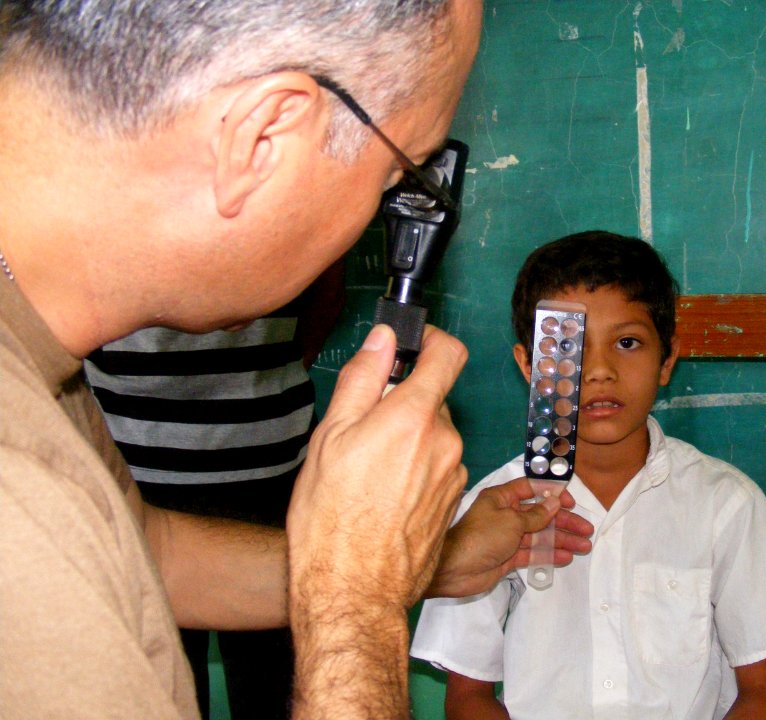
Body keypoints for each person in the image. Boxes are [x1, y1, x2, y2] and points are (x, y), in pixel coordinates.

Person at [0, 3, 595, 719]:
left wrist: (402, 562)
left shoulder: (34, 352)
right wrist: (358, 607)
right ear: (264, 135)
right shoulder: (16, 489)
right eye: (397, 179)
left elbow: (144, 550)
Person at [411, 231, 766, 720]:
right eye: (566, 345)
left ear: (667, 359)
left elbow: (765, 695)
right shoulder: (491, 512)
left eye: (627, 342)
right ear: (528, 365)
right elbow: (468, 698)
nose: (598, 369)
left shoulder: (727, 505)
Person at [83, 262, 345, 720]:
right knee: (155, 687)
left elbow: (326, 283)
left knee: (277, 687)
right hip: (129, 470)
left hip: (270, 468)